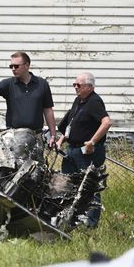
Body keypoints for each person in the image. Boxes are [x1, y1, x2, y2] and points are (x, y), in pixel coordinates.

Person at [56, 72, 112, 227]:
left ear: (89, 86)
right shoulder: (79, 100)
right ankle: (69, 220)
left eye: (78, 85)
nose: (75, 87)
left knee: (89, 187)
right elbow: (69, 124)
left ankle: (90, 223)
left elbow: (106, 123)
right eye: (74, 84)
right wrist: (61, 139)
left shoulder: (94, 101)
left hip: (87, 153)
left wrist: (92, 142)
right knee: (68, 185)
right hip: (71, 150)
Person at [0, 51, 56, 147]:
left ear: (26, 65)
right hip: (14, 137)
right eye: (11, 66)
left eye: (16, 66)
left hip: (36, 137)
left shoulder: (42, 84)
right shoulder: (9, 84)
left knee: (37, 162)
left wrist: (53, 134)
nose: (13, 69)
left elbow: (48, 110)